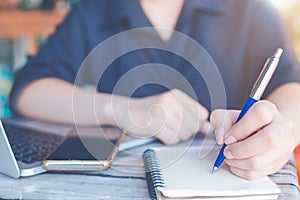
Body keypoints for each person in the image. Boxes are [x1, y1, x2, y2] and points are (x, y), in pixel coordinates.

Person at [10, 0, 300, 180]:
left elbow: (292, 85)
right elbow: (28, 90)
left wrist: (279, 130)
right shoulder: (94, 10)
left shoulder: (250, 8)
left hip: (229, 177)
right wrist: (123, 109)